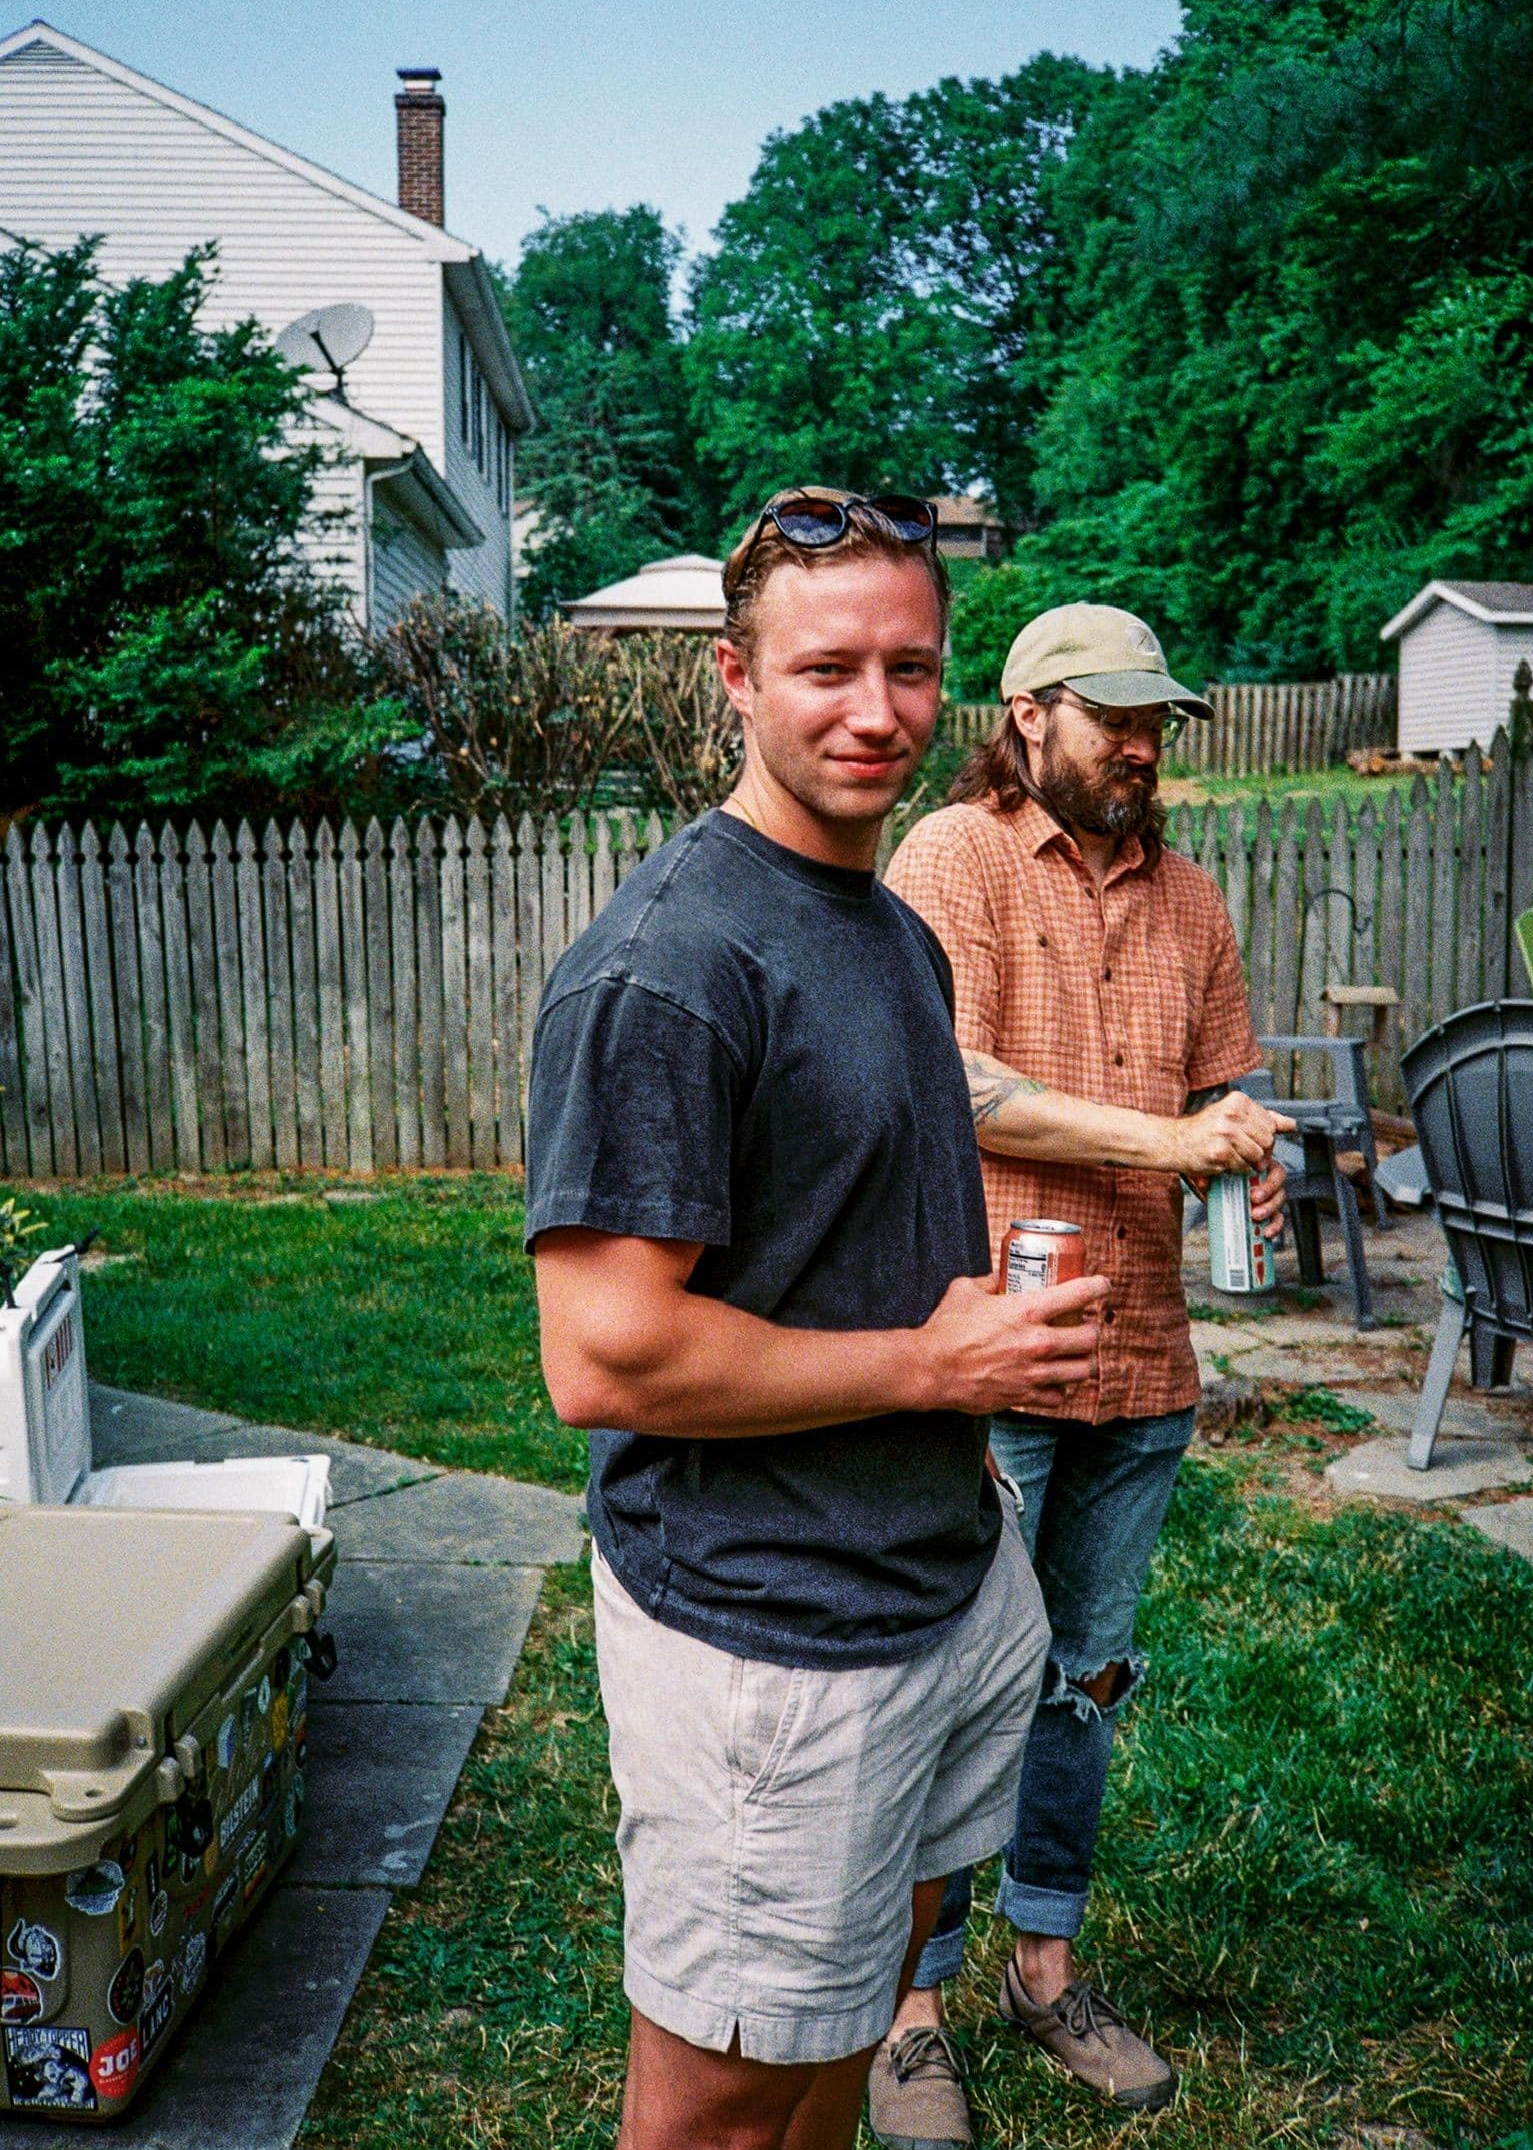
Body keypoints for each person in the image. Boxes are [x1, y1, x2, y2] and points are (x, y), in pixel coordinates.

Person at [525, 492, 1109, 2150]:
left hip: (932, 1580)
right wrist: (935, 1363)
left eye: (910, 668)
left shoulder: (892, 930)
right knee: (720, 2107)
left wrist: (961, 1391)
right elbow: (604, 1352)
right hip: (772, 1637)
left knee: (838, 2040)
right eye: (826, 668)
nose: (876, 710)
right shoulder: (671, 966)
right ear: (735, 675)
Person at [869, 602, 1290, 2144]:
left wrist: (1249, 1156)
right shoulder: (954, 860)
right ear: (1029, 714)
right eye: (1114, 718)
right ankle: (908, 2009)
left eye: (1155, 721)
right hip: (997, 1346)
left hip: (1143, 1355)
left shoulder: (1192, 897)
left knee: (1084, 1676)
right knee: (953, 1674)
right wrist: (1168, 1138)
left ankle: (1043, 1967)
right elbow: (956, 1081)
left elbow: (1223, 1086)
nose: (1140, 746)